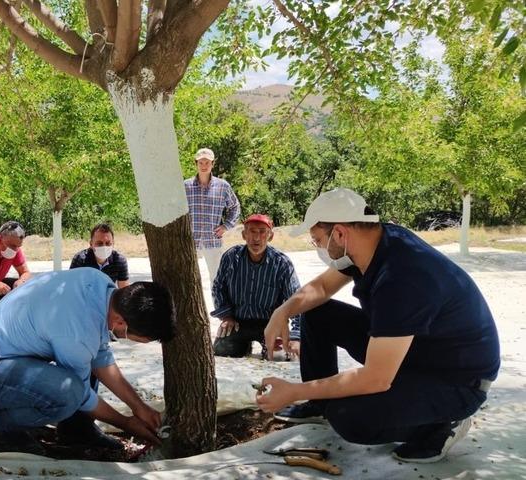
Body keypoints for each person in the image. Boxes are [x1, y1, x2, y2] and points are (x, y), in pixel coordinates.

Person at [257, 188, 500, 463]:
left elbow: (376, 378)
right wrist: (282, 311)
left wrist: (295, 391)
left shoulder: (402, 277)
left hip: (455, 382)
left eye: (317, 241)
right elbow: (322, 287)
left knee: (349, 418)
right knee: (316, 312)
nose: (319, 248)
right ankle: (319, 403)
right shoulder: (374, 240)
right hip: (418, 348)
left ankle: (442, 425)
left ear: (339, 233)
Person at [0, 268, 176, 455]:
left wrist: (139, 407)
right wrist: (126, 423)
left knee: (79, 372)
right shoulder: (76, 330)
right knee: (67, 393)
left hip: (3, 360)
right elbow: (80, 396)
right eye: (139, 339)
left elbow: (100, 356)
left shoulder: (100, 284)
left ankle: (77, 430)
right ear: (120, 321)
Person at [211, 213, 301, 359]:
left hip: (271, 323)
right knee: (221, 352)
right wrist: (226, 316)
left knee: (279, 357)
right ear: (244, 234)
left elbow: (296, 299)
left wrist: (296, 336)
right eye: (252, 231)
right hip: (237, 321)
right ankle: (243, 345)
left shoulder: (281, 263)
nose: (256, 238)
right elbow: (218, 288)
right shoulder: (231, 257)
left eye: (262, 232)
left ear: (270, 236)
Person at [184, 147, 240, 287]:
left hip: (213, 240)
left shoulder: (223, 186)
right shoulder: (185, 186)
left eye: (207, 163)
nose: (204, 166)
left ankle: (218, 308)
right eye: (200, 162)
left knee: (217, 280)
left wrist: (226, 226)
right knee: (188, 279)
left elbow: (235, 207)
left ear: (212, 164)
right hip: (190, 241)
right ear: (195, 163)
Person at [69, 223, 130, 287]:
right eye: (99, 243)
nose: (104, 246)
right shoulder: (80, 259)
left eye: (108, 243)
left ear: (113, 243)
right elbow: (72, 287)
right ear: (91, 244)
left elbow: (124, 291)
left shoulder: (119, 260)